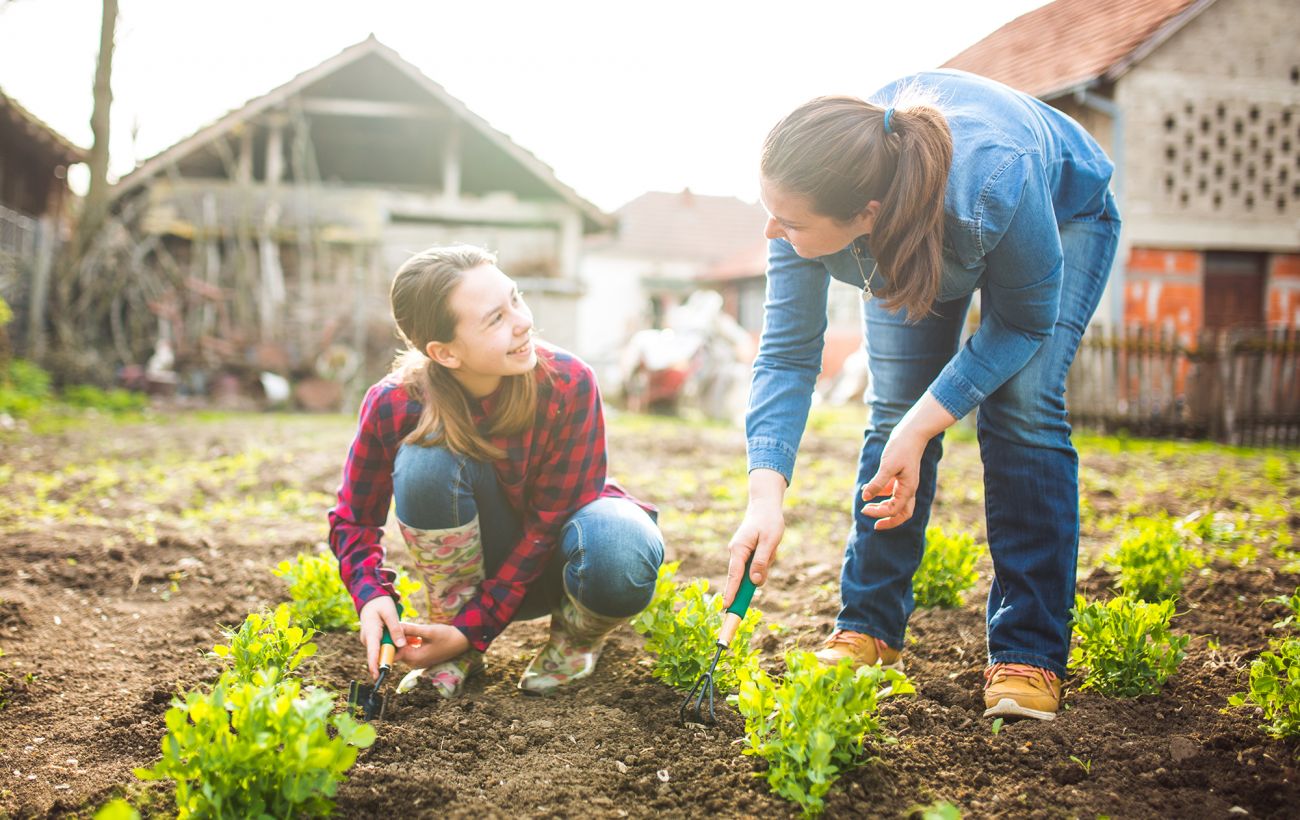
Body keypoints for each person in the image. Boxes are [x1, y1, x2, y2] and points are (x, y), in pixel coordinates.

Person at [724, 69, 1120, 721]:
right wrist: (764, 500)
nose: (772, 231)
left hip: (1061, 210)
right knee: (894, 406)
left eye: (787, 221)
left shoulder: (994, 181)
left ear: (865, 216)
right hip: (912, 221)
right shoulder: (809, 205)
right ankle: (870, 628)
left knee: (1021, 409)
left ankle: (1028, 651)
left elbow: (1022, 324)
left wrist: (922, 428)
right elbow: (788, 355)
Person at [329, 244, 664, 697]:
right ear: (445, 352)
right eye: (495, 319)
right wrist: (371, 595)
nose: (523, 320)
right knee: (426, 459)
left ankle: (575, 641)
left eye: (516, 298)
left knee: (621, 547)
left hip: (561, 565)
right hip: (473, 575)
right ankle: (453, 645)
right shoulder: (395, 404)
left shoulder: (568, 383)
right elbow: (354, 520)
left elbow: (548, 526)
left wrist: (475, 628)